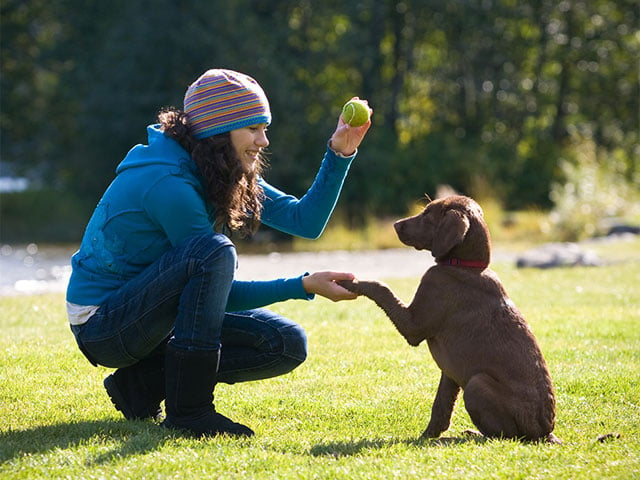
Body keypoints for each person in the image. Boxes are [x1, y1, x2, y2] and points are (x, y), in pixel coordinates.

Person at [66, 68, 372, 438]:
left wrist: (341, 151)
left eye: (264, 127)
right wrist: (302, 285)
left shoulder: (218, 166)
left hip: (154, 317)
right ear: (217, 132)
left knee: (285, 344)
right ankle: (190, 412)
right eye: (253, 128)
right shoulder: (169, 183)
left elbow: (304, 221)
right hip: (104, 325)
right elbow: (218, 288)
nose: (264, 140)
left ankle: (141, 386)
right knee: (213, 252)